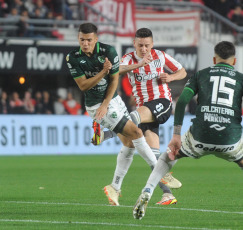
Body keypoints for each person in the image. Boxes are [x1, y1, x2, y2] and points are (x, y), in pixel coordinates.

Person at [133, 41, 243, 220]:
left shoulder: (201, 74)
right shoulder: (240, 78)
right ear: (235, 61)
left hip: (199, 135)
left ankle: (148, 190)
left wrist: (176, 134)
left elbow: (183, 100)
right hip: (229, 138)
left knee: (168, 157)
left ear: (214, 59)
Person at [66, 23, 158, 206]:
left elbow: (115, 77)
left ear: (96, 39)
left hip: (112, 101)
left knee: (130, 144)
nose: (85, 44)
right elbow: (84, 86)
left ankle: (114, 187)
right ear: (78, 39)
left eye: (89, 40)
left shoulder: (109, 51)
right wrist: (102, 72)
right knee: (137, 133)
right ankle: (159, 171)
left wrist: (108, 101)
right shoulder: (73, 58)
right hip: (95, 105)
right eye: (82, 40)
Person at [92, 28, 186, 205]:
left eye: (147, 45)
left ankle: (105, 135)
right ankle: (166, 194)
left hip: (162, 103)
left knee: (133, 118)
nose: (144, 49)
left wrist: (171, 77)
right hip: (145, 110)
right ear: (134, 43)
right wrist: (139, 64)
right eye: (140, 45)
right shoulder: (128, 58)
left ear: (152, 44)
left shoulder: (160, 56)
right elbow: (116, 71)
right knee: (147, 153)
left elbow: (183, 71)